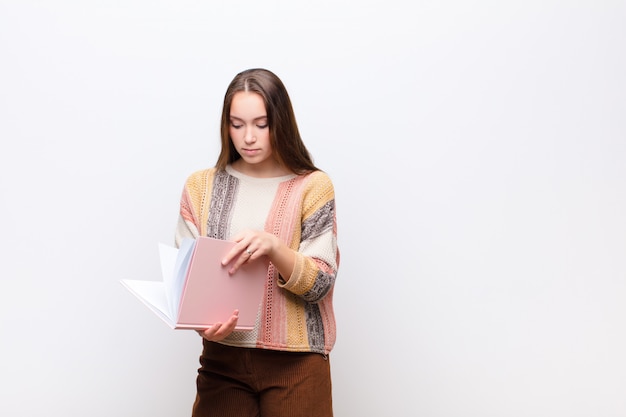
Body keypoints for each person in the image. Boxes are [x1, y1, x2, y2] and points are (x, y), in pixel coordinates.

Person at [174, 68, 340, 417]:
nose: (248, 137)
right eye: (237, 124)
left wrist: (274, 248)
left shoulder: (313, 187)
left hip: (297, 365)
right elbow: (185, 281)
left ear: (281, 122)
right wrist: (200, 321)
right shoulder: (200, 188)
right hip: (222, 361)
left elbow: (321, 282)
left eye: (260, 124)